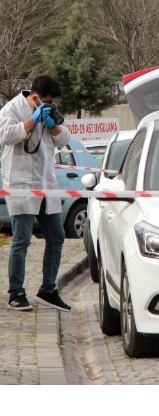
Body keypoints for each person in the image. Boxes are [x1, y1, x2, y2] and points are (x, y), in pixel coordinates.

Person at [0, 75, 72, 312]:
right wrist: (32, 120)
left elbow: (64, 139)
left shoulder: (49, 110)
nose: (49, 105)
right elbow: (6, 136)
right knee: (21, 240)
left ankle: (48, 290)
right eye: (46, 102)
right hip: (21, 184)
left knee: (57, 236)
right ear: (34, 96)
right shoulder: (12, 109)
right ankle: (16, 292)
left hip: (46, 183)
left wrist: (52, 123)